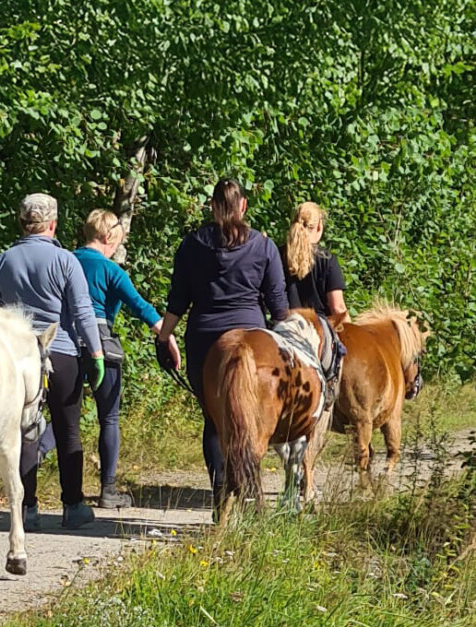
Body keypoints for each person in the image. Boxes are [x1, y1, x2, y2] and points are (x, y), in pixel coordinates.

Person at [154, 179, 288, 512]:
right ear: (243, 206)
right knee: (252, 422)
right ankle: (252, 499)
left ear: (213, 207)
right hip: (255, 334)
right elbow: (278, 305)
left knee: (215, 422)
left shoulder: (191, 245)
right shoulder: (264, 246)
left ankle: (221, 501)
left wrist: (163, 337)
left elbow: (177, 301)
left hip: (204, 339)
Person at [0, 193, 105, 531]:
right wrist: (95, 354)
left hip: (17, 357)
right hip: (61, 353)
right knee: (67, 429)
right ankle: (73, 504)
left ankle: (27, 508)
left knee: (25, 430)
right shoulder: (66, 261)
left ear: (22, 223)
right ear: (53, 224)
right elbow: (83, 311)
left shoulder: (3, 261)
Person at [72, 209, 180, 509]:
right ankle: (108, 490)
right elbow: (141, 307)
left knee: (65, 417)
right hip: (102, 348)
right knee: (109, 417)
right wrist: (168, 337)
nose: (116, 247)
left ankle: (33, 473)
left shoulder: (66, 261)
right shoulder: (111, 271)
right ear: (108, 237)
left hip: (66, 344)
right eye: (116, 241)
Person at [280, 201, 350, 322]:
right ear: (319, 227)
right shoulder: (327, 260)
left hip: (285, 324)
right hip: (317, 329)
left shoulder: (277, 254)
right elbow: (337, 307)